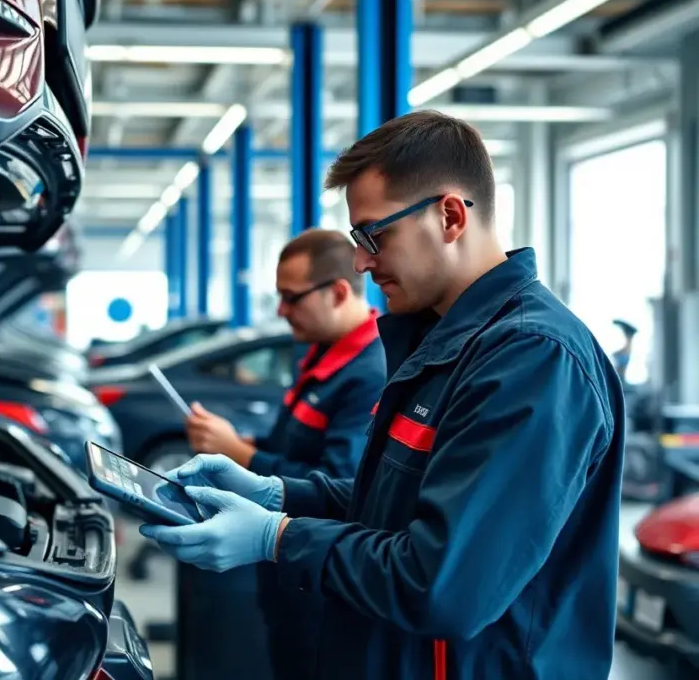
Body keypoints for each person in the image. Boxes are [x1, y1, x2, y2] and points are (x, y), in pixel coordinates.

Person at [141, 110, 625, 680]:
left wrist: (279, 538)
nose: (362, 261)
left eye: (375, 234)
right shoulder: (448, 343)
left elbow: (444, 583)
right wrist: (280, 494)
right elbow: (403, 505)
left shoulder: (531, 359)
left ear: (449, 216)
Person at [183, 229, 387, 680]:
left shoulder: (372, 374)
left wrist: (241, 455)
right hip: (287, 578)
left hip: (320, 586)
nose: (280, 310)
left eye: (291, 297)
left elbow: (343, 485)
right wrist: (244, 449)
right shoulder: (319, 355)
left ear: (337, 292)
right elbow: (293, 447)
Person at [611, 318, 637, 382]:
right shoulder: (627, 349)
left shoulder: (627, 349)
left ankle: (629, 331)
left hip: (620, 375)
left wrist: (616, 354)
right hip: (620, 375)